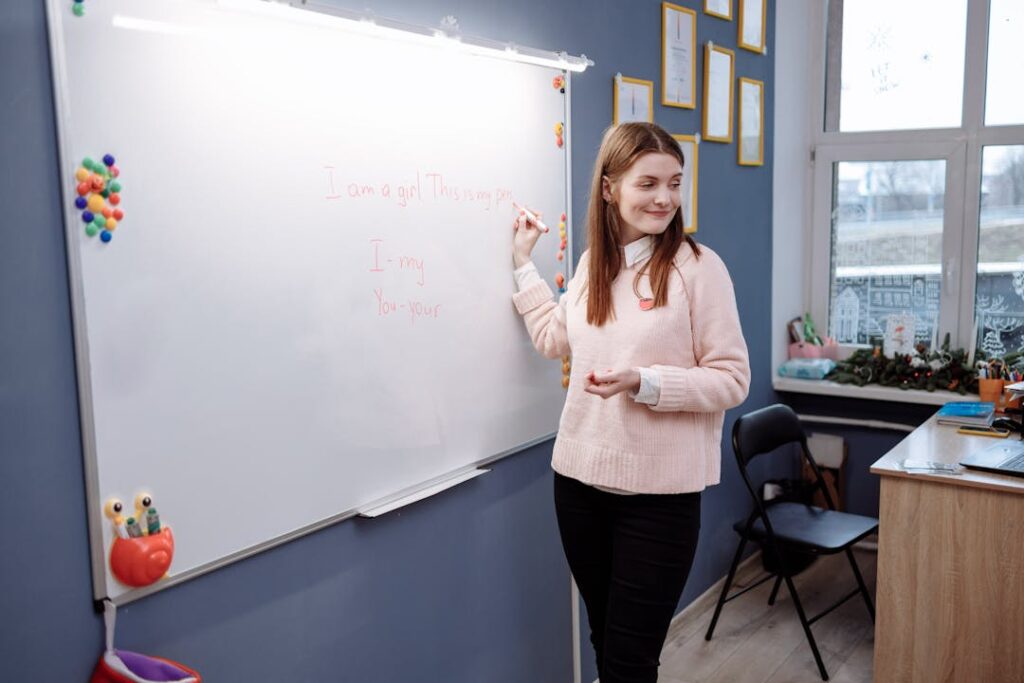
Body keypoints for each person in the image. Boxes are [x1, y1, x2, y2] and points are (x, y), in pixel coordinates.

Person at [510, 122, 750, 683]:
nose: (665, 198)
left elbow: (732, 379)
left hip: (660, 499)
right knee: (603, 637)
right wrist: (524, 263)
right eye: (648, 183)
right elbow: (554, 339)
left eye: (674, 182)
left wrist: (644, 381)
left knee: (630, 660)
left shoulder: (699, 268)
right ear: (610, 188)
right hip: (577, 482)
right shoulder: (595, 262)